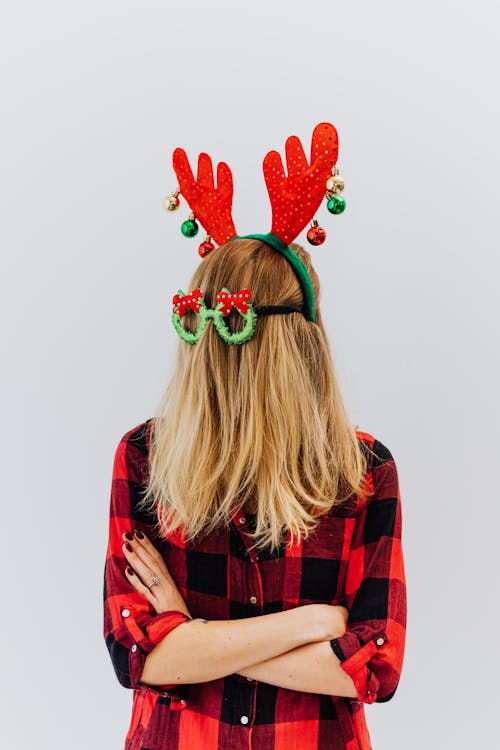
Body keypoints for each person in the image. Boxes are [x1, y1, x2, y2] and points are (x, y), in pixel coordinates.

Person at [102, 124, 407, 750]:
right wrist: (312, 625)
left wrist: (191, 633)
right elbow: (138, 658)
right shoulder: (143, 458)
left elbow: (373, 668)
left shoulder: (363, 470)